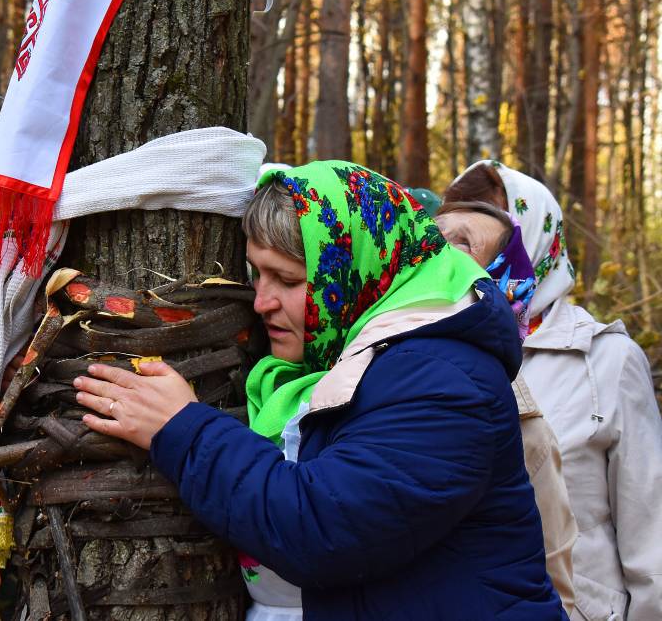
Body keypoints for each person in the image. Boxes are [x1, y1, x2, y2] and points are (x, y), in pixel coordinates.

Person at [71, 160, 566, 620]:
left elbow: (323, 529)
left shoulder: (441, 377)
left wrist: (183, 430)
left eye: (287, 279)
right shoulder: (364, 360)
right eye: (256, 273)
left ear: (354, 275)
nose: (261, 301)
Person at [445, 160, 662, 621]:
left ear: (531, 242)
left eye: (469, 241)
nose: (452, 259)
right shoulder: (429, 349)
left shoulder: (604, 359)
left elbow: (651, 532)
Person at [435, 200, 578, 615]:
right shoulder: (348, 366)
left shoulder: (524, 434)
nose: (436, 247)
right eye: (433, 232)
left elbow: (553, 590)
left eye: (463, 243)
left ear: (499, 281)